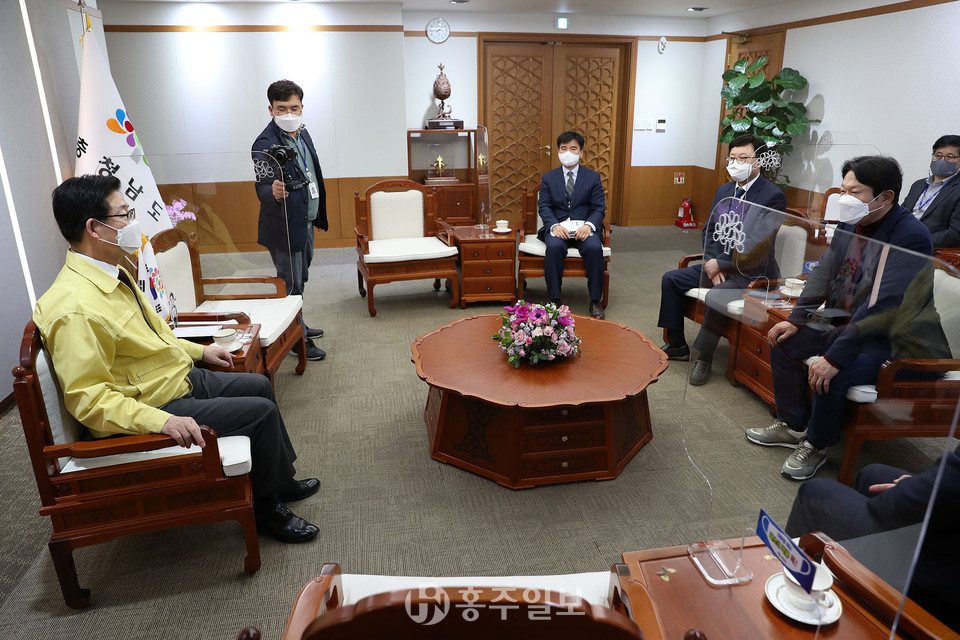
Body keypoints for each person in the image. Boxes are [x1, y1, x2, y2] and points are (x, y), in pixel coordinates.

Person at [34, 175, 321, 543]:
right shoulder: (75, 308)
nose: (133, 223)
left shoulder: (111, 272)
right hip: (153, 404)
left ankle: (278, 481)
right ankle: (266, 509)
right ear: (94, 228)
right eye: (124, 215)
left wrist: (200, 351)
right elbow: (89, 401)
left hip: (172, 379)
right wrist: (163, 421)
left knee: (259, 385)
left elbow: (154, 335)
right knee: (260, 413)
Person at [746, 155, 946, 481]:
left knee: (835, 372)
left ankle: (816, 443)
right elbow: (825, 272)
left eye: (855, 192)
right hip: (851, 323)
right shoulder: (852, 223)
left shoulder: (911, 236)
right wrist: (797, 319)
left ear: (885, 197)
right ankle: (793, 425)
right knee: (784, 340)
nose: (845, 199)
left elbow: (884, 305)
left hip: (898, 338)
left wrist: (833, 357)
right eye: (843, 190)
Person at [658, 134, 786, 386]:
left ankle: (704, 357)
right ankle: (677, 344)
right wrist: (712, 262)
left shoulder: (772, 196)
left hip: (751, 273)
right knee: (671, 279)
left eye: (743, 158)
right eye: (732, 158)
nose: (735, 163)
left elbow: (756, 241)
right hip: (718, 264)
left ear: (758, 161)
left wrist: (722, 263)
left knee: (716, 295)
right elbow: (709, 230)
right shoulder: (724, 190)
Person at [785, 447, 960, 631]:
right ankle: (853, 592)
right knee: (872, 474)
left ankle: (791, 591)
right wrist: (917, 484)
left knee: (814, 494)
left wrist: (907, 490)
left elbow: (905, 504)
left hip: (945, 576)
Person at [252, 79, 328, 361]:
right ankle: (297, 340)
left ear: (302, 107)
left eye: (293, 108)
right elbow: (262, 185)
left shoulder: (302, 133)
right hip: (283, 226)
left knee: (301, 278)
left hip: (304, 220)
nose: (288, 114)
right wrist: (271, 191)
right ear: (271, 109)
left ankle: (300, 325)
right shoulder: (264, 143)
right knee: (290, 284)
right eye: (281, 108)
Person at [537, 131, 607, 319]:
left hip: (584, 229)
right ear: (558, 151)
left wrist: (589, 225)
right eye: (564, 148)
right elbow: (544, 206)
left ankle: (595, 301)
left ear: (581, 153)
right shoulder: (548, 178)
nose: (568, 152)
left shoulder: (592, 177)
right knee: (554, 248)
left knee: (594, 248)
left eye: (573, 148)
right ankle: (554, 299)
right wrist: (554, 225)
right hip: (558, 229)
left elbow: (599, 208)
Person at [901, 134, 960, 247]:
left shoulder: (957, 190)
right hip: (899, 242)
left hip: (926, 248)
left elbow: (955, 234)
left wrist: (918, 240)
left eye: (950, 157)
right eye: (938, 155)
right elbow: (900, 214)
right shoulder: (918, 185)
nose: (942, 160)